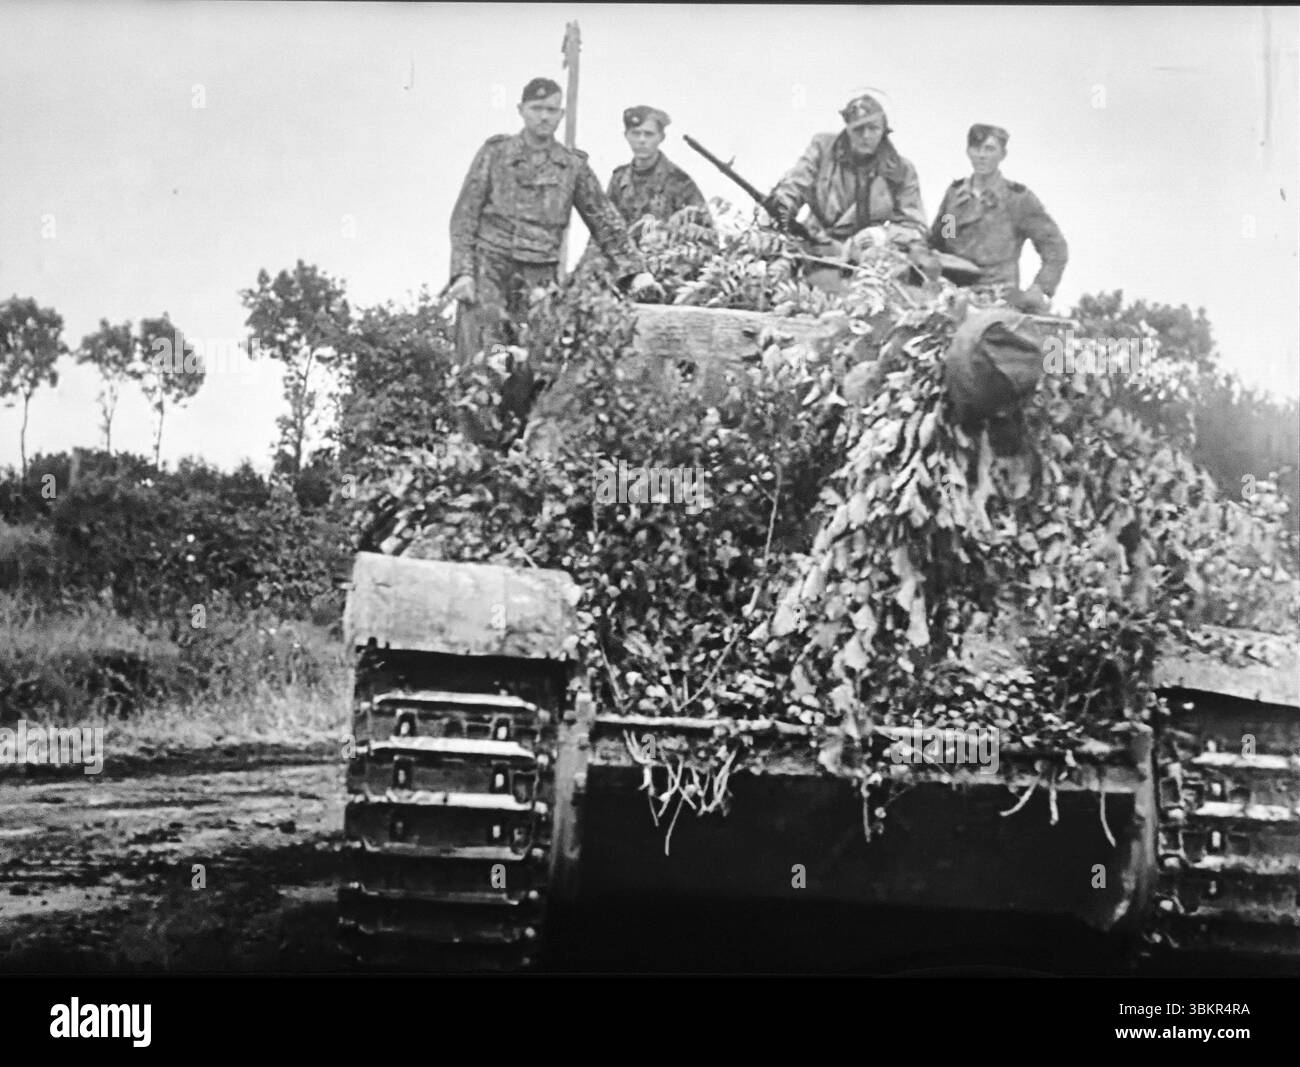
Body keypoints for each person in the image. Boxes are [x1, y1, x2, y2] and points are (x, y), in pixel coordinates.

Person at [447, 77, 657, 356]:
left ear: (561, 115)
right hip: (490, 275)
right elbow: (465, 216)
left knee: (532, 367)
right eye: (537, 108)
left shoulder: (571, 166)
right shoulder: (495, 154)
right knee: (483, 366)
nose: (544, 116)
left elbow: (605, 221)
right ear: (521, 110)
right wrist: (462, 273)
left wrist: (637, 271)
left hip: (539, 281)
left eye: (551, 110)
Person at [767, 92, 930, 269]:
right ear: (848, 128)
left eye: (873, 128)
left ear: (884, 130)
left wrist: (882, 235)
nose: (866, 136)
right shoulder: (823, 148)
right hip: (813, 246)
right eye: (858, 129)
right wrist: (780, 206)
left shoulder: (901, 171)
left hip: (866, 260)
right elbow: (795, 185)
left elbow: (916, 228)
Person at [929, 124, 1068, 313]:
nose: (982, 155)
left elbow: (1054, 248)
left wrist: (1040, 289)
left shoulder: (1017, 199)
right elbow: (943, 242)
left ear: (1003, 154)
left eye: (989, 149)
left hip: (1000, 299)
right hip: (955, 296)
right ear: (968, 152)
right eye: (976, 149)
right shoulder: (955, 197)